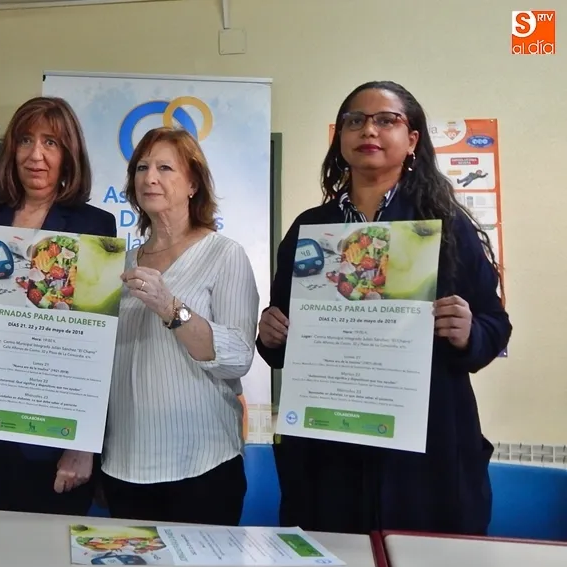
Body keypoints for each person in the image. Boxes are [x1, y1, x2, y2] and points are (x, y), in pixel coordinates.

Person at [257, 81, 512, 535]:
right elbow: (283, 334)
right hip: (329, 446)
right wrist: (271, 334)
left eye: (385, 119)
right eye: (354, 120)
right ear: (341, 139)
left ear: (412, 139)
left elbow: (496, 324)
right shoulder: (312, 228)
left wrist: (471, 331)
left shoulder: (445, 225)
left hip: (424, 452)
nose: (367, 129)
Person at [0, 96, 116, 515]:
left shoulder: (93, 226)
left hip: (49, 433)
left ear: (69, 155)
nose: (35, 155)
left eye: (51, 142)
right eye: (26, 141)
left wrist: (83, 444)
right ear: (11, 150)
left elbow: (96, 350)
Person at [101, 127, 259, 526]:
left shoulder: (225, 254)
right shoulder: (115, 262)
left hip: (202, 465)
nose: (149, 177)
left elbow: (238, 356)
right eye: (141, 167)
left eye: (165, 167)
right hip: (122, 463)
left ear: (192, 184)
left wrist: (171, 307)